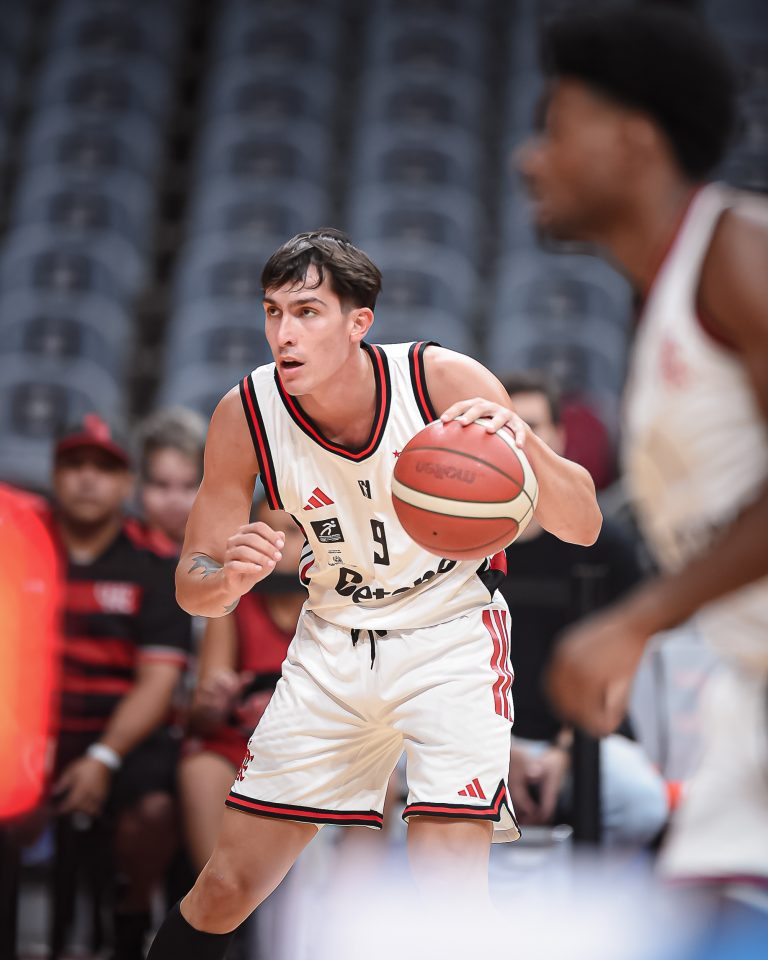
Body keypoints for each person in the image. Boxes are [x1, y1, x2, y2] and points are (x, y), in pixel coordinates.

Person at [146, 228, 602, 958]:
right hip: (333, 643)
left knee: (449, 892)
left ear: (359, 322)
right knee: (227, 886)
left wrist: (526, 442)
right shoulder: (246, 412)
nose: (284, 333)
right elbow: (192, 586)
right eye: (273, 312)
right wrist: (225, 579)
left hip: (448, 634)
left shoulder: (441, 380)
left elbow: (583, 526)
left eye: (307, 312)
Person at [518, 6, 768, 900]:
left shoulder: (737, 250)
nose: (529, 159)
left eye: (556, 127)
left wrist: (635, 620)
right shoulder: (669, 290)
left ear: (632, 141)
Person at [41, 415, 193, 960]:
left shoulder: (156, 566)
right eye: (74, 465)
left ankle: (129, 917)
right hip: (31, 730)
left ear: (124, 483)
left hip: (124, 735)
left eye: (103, 468)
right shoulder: (22, 548)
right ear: (54, 476)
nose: (87, 479)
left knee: (157, 806)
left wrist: (103, 757)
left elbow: (157, 684)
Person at [500, 372, 667, 847]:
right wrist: (498, 750)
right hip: (475, 736)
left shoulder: (607, 544)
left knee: (641, 804)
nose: (516, 441)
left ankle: (582, 894)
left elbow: (622, 665)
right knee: (375, 778)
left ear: (558, 436)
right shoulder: (449, 538)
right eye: (504, 427)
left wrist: (565, 753)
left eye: (531, 427)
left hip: (581, 736)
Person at [179, 499, 305, 873]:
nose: (278, 545)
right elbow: (203, 716)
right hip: (239, 745)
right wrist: (214, 702)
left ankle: (352, 902)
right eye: (268, 533)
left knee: (379, 778)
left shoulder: (334, 603)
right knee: (200, 771)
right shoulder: (232, 601)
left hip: (313, 746)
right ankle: (216, 897)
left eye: (293, 533)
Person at [131, 407, 207, 557]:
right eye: (161, 484)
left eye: (189, 485)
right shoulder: (116, 549)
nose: (175, 500)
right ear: (138, 484)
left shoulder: (228, 555)